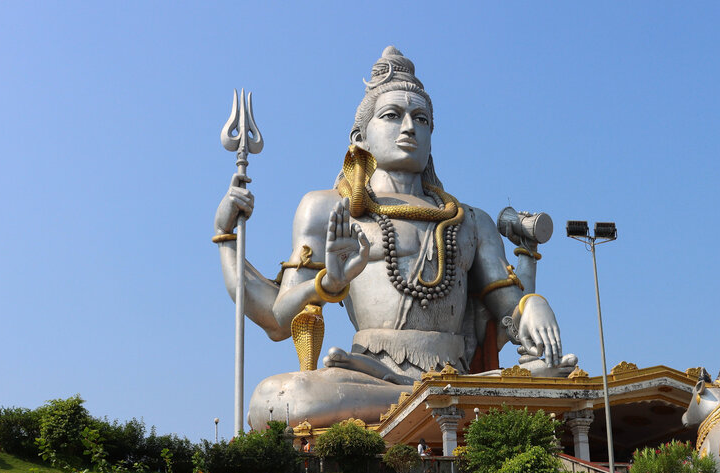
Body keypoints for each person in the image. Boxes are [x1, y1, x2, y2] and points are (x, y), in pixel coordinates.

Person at [216, 47, 578, 430]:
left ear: (431, 136)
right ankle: (440, 400)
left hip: (453, 370)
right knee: (280, 398)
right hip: (368, 376)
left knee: (556, 370)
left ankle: (438, 397)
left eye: (421, 119)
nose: (409, 128)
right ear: (361, 136)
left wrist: (532, 306)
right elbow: (276, 319)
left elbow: (509, 313)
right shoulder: (328, 208)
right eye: (392, 116)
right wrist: (227, 238)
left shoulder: (471, 221)